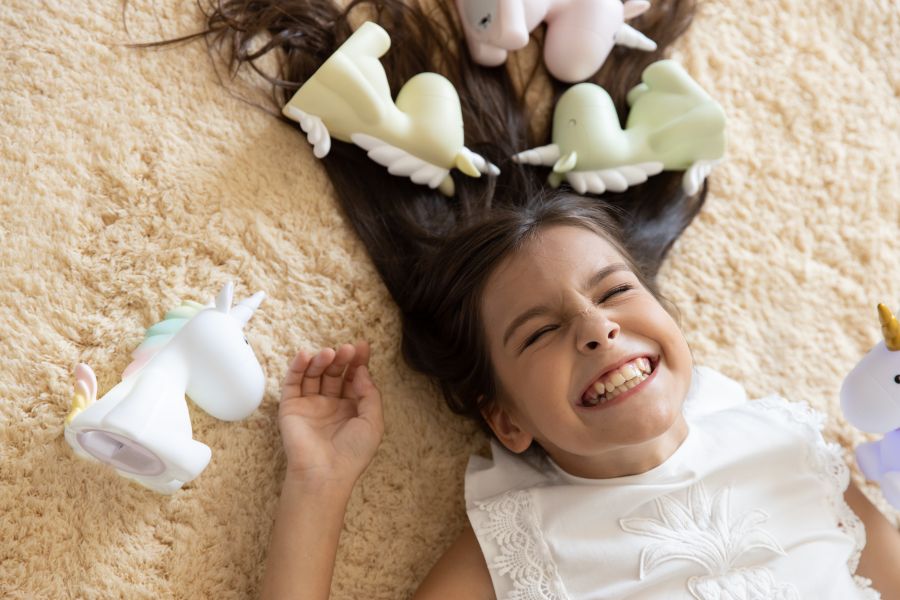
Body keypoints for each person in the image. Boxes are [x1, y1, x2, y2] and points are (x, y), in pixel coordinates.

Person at [151, 0, 900, 597]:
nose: (597, 329)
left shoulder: (797, 452)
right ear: (505, 420)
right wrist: (319, 485)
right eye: (539, 333)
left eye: (616, 291)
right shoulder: (514, 550)